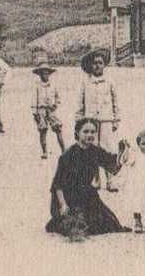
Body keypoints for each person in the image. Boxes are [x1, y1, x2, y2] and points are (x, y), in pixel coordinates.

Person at [45, 118, 129, 239]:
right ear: (77, 133)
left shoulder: (96, 151)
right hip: (67, 197)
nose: (90, 135)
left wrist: (122, 153)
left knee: (110, 224)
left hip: (86, 194)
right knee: (76, 223)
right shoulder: (68, 155)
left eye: (93, 132)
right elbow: (58, 185)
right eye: (86, 131)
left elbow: (113, 166)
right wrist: (63, 205)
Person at [75, 50, 120, 190]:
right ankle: (96, 180)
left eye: (100, 63)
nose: (97, 66)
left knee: (106, 149)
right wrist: (79, 120)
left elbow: (115, 101)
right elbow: (80, 102)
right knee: (92, 149)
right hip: (90, 120)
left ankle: (110, 181)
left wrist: (116, 119)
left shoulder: (109, 81)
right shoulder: (85, 82)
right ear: (90, 65)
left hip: (106, 119)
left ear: (104, 65)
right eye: (94, 63)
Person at [29, 65, 66, 158]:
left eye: (46, 73)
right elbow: (34, 100)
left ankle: (64, 150)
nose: (44, 75)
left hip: (51, 109)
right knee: (43, 130)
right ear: (39, 75)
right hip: (41, 110)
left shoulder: (53, 85)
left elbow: (58, 98)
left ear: (49, 74)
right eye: (42, 73)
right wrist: (35, 112)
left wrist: (55, 105)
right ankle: (44, 151)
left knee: (58, 128)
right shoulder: (37, 86)